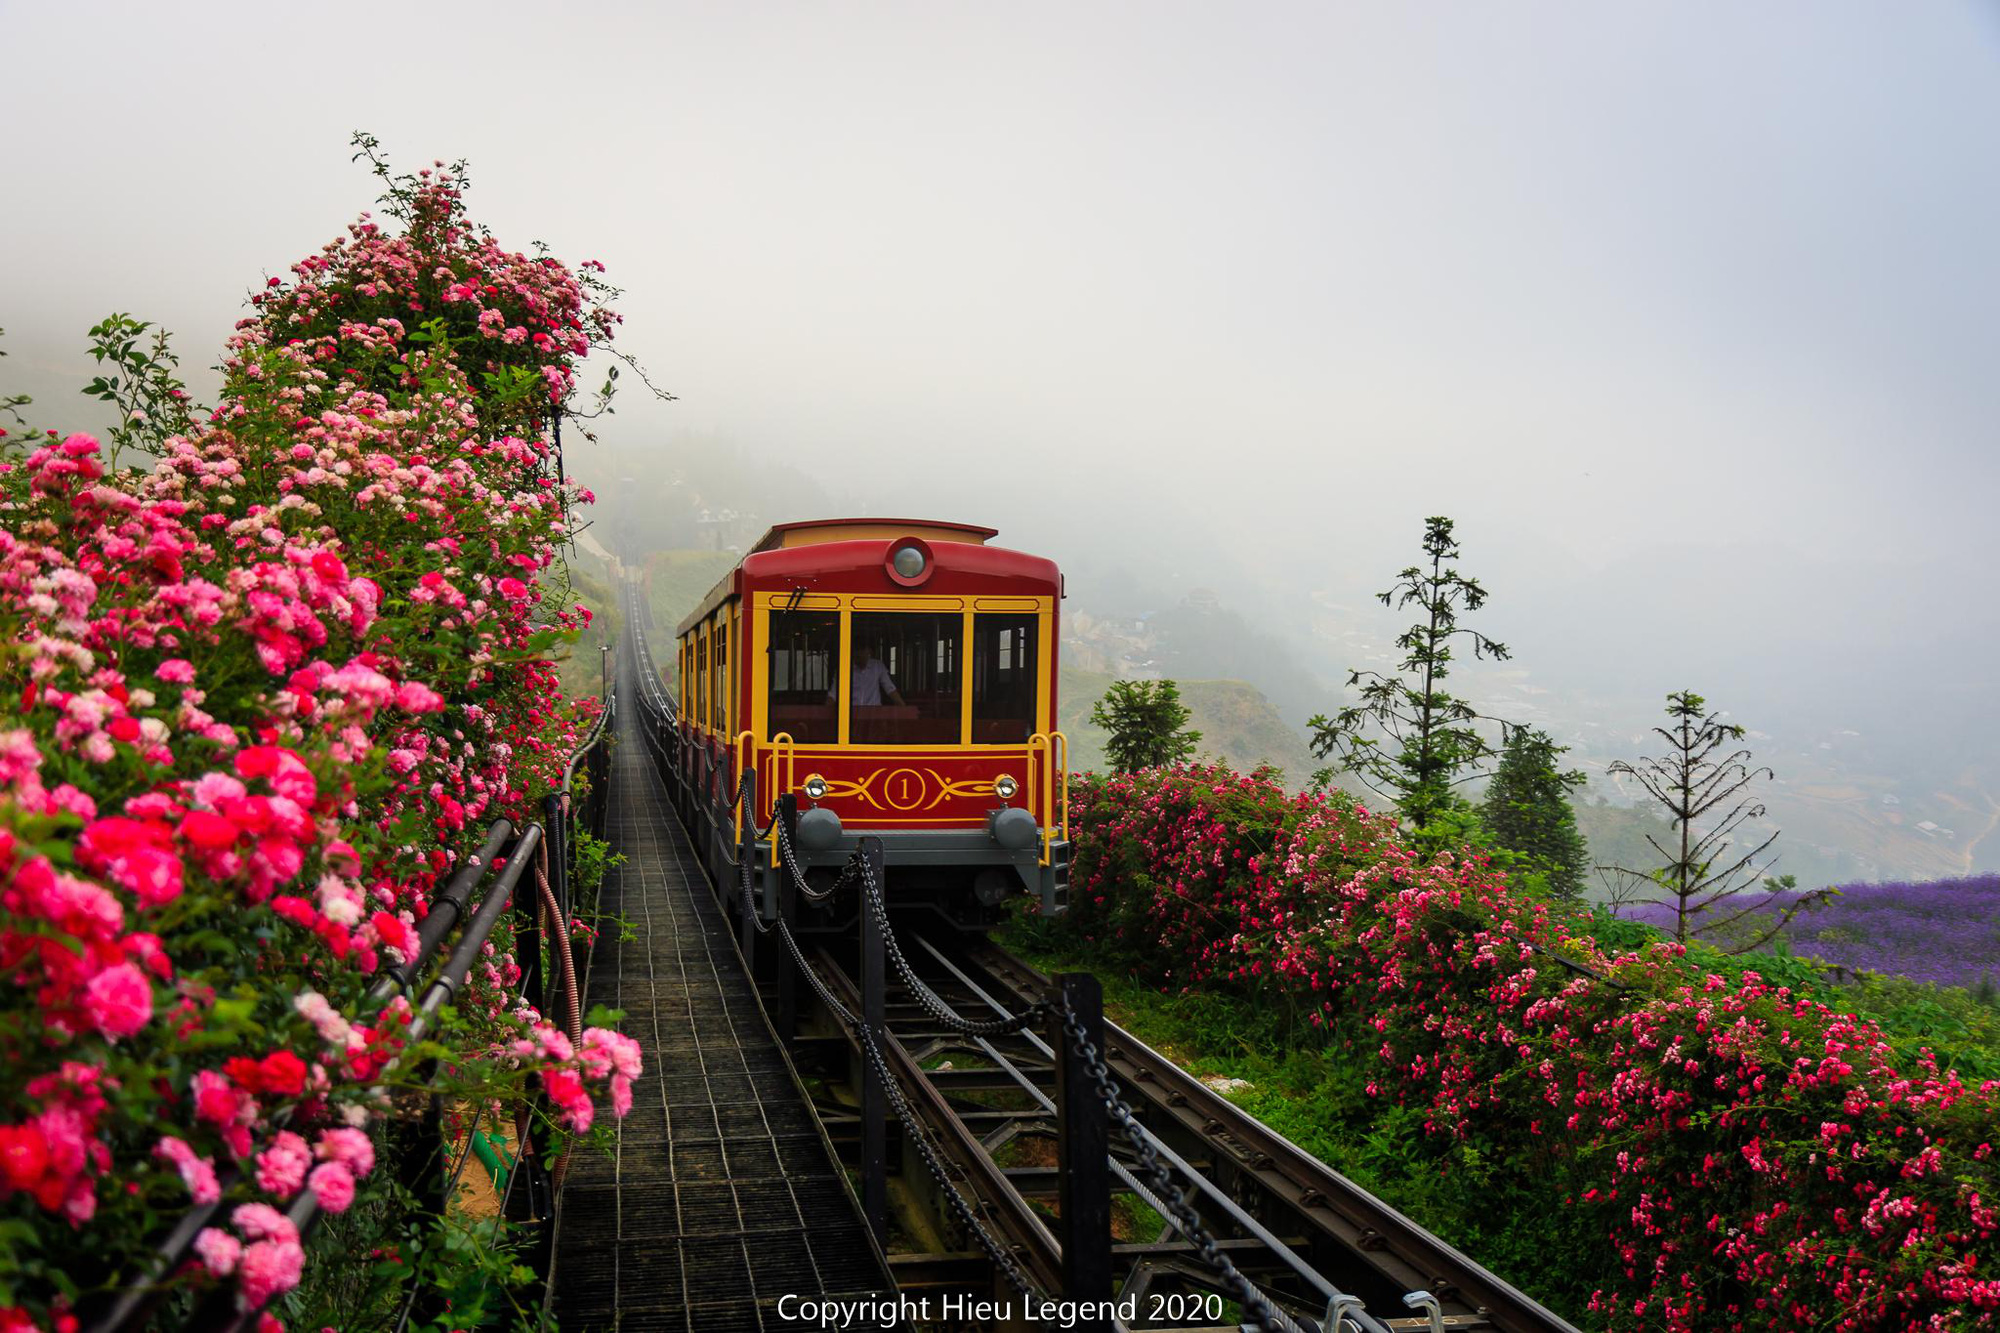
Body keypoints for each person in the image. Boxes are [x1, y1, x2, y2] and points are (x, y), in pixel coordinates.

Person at [829, 643, 905, 707]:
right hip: (851, 715)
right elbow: (833, 694)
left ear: (869, 652)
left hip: (874, 714)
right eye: (857, 651)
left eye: (862, 651)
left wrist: (904, 710)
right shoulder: (844, 668)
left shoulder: (877, 666)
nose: (860, 654)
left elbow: (890, 689)